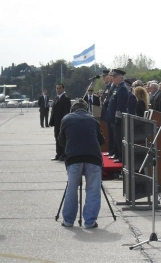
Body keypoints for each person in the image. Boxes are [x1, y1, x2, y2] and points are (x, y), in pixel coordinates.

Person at [58, 98, 105, 228]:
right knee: (93, 190)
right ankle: (90, 221)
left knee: (72, 189)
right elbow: (101, 140)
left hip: (74, 158)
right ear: (86, 109)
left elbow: (61, 141)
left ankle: (68, 220)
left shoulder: (66, 119)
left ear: (73, 109)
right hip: (93, 158)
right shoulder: (93, 119)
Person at [105, 69, 128, 163]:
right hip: (113, 117)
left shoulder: (122, 88)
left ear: (121, 77)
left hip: (118, 117)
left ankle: (121, 156)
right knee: (115, 137)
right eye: (113, 76)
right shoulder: (117, 87)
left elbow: (120, 105)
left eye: (115, 77)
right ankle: (117, 154)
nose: (113, 78)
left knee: (119, 138)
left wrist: (118, 117)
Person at [49, 83, 71, 161]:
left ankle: (64, 154)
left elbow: (66, 112)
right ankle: (58, 154)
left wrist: (64, 122)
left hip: (62, 123)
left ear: (63, 89)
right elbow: (53, 111)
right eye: (57, 88)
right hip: (56, 123)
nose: (58, 90)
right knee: (57, 138)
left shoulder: (66, 99)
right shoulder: (56, 98)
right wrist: (51, 121)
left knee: (62, 139)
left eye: (60, 88)